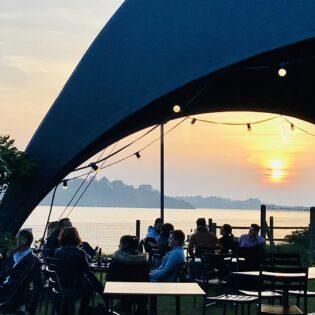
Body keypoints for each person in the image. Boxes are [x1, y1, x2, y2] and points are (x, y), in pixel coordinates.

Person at [0, 229, 43, 314]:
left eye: (17, 239)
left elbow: (37, 286)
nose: (14, 242)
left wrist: (30, 308)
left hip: (14, 297)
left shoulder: (33, 261)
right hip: (4, 292)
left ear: (24, 241)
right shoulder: (13, 255)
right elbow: (3, 274)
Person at [54, 227, 95, 315]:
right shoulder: (80, 252)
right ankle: (82, 311)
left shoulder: (57, 251)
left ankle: (67, 309)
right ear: (76, 237)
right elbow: (87, 269)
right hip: (74, 286)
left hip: (61, 285)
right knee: (90, 288)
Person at [107, 235, 149, 314]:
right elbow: (146, 277)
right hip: (140, 292)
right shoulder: (143, 260)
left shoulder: (117, 259)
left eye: (120, 243)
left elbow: (109, 277)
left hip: (119, 291)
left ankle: (123, 306)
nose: (118, 246)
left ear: (125, 245)